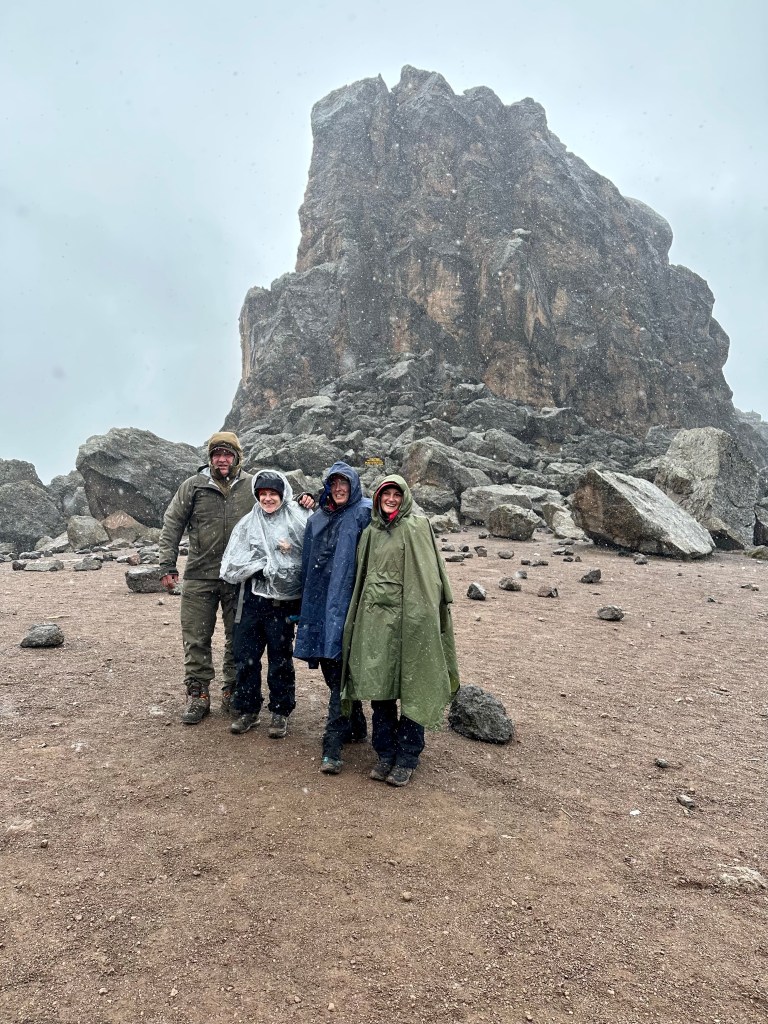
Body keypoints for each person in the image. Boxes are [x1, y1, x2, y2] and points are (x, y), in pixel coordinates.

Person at [341, 475, 460, 787]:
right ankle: (384, 753)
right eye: (386, 494)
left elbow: (429, 576)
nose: (391, 499)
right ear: (378, 498)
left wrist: (424, 614)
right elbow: (362, 578)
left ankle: (407, 757)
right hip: (377, 622)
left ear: (404, 497)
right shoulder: (371, 533)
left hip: (411, 620)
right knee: (380, 688)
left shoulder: (417, 527)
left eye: (396, 494)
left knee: (412, 686)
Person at [159, 432, 254, 725]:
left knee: (237, 637)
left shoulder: (252, 486)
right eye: (217, 454)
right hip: (200, 575)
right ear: (210, 458)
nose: (222, 460)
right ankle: (198, 694)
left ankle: (232, 690)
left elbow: (277, 506)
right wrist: (167, 564)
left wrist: (303, 500)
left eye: (227, 454)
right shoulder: (194, 486)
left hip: (238, 576)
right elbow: (172, 523)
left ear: (237, 457)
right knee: (196, 637)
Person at [220, 470, 312, 739]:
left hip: (282, 604)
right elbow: (231, 565)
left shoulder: (297, 518)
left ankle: (280, 711)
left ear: (283, 495)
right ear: (256, 495)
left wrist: (310, 499)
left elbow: (306, 556)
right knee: (245, 656)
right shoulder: (248, 523)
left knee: (280, 658)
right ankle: (248, 709)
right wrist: (262, 566)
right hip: (251, 599)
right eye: (263, 494)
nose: (268, 499)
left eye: (273, 494)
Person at [294, 462, 372, 775]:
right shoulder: (317, 518)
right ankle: (356, 722)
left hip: (350, 604)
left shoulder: (364, 513)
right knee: (330, 664)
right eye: (334, 484)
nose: (339, 489)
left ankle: (332, 745)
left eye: (344, 484)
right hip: (321, 604)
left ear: (353, 486)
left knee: (339, 672)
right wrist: (301, 605)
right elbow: (306, 563)